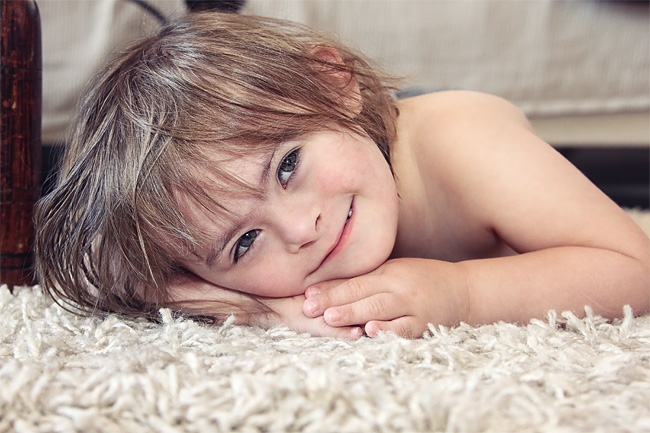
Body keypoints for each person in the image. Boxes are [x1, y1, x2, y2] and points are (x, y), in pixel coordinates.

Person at [34, 12, 649, 339]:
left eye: (287, 167)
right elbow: (97, 270)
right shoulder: (240, 228)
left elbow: (634, 269)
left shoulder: (467, 148)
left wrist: (461, 294)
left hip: (411, 133)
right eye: (244, 242)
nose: (300, 228)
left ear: (333, 83)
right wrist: (259, 312)